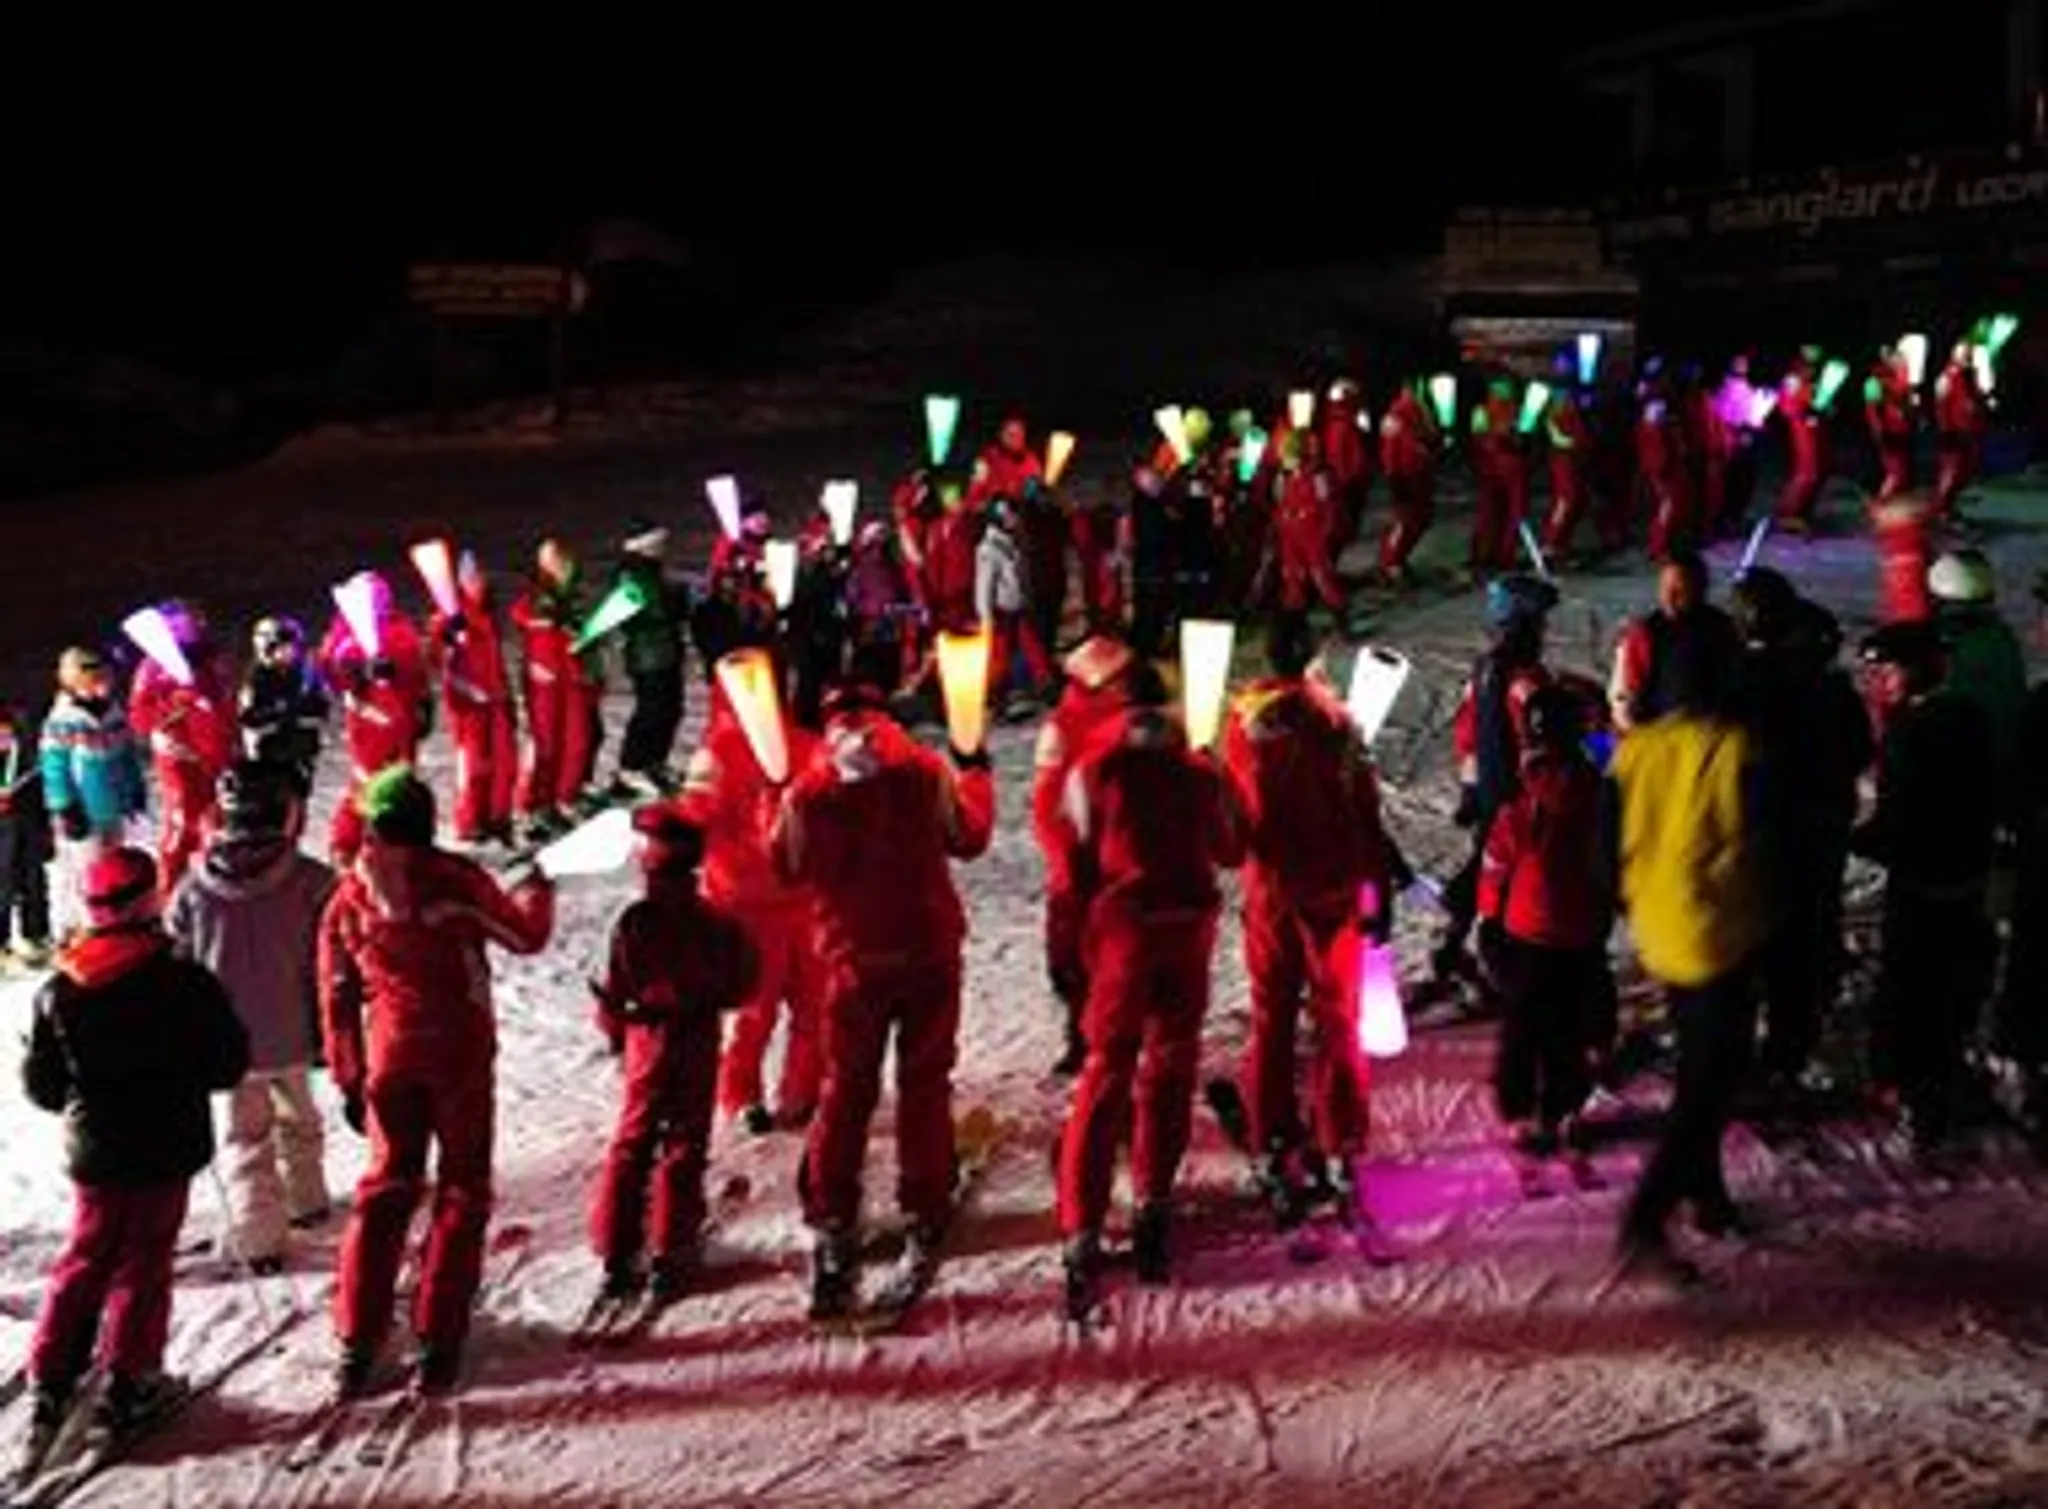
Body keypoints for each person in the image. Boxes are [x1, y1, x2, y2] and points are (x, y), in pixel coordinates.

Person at [768, 641, 995, 1320]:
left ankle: (834, 1209)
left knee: (846, 1088)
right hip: (927, 949)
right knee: (925, 1083)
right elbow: (969, 837)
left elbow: (783, 865)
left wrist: (770, 801)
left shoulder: (809, 789)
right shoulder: (924, 768)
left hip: (853, 959)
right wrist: (975, 771)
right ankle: (924, 1200)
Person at [318, 767, 554, 1395]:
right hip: (459, 1050)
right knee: (462, 1187)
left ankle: (357, 1335)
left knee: (386, 1187)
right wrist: (537, 889)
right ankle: (438, 1333)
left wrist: (348, 1073)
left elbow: (336, 992)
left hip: (389, 1055)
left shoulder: (350, 895)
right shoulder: (456, 880)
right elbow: (524, 936)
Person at [17, 847, 248, 1475]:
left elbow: (42, 1086)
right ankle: (129, 1377)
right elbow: (226, 1064)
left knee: (86, 1257)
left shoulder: (62, 988)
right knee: (144, 1262)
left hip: (96, 1150)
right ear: (148, 900)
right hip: (165, 1146)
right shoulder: (183, 981)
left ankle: (53, 1373)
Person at [1054, 662, 1245, 1308]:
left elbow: (1073, 868)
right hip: (1185, 933)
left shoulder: (1094, 769)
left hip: (1124, 937)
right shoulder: (1195, 769)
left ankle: (1081, 1220)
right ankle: (1153, 1196)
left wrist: (1070, 948)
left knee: (1107, 1069)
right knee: (1169, 1066)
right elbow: (1230, 849)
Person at [1222, 614, 1398, 1222]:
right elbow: (1365, 811)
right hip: (1334, 892)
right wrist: (1377, 889)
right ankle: (1340, 1137)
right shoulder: (1339, 724)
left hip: (1274, 893)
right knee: (1337, 1020)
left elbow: (1234, 825)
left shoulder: (1244, 728)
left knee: (1272, 1017)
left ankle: (1273, 1131)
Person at [1610, 632, 1771, 1284]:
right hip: (1718, 935)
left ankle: (1707, 1193)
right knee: (1708, 1086)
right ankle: (1646, 1217)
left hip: (1661, 928)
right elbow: (1761, 841)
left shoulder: (1636, 750)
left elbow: (1606, 842)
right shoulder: (1734, 748)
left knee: (1704, 1064)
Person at [167, 762, 337, 1272]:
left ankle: (260, 1233)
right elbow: (337, 953)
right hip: (294, 1028)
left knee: (246, 1137)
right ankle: (307, 1199)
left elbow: (177, 965)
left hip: (229, 1042)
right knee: (298, 1116)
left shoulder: (194, 889)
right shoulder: (311, 881)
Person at [588, 807, 757, 1301]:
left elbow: (614, 987)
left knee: (633, 1140)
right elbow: (743, 983)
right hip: (696, 1034)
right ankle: (671, 1248)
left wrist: (616, 1028)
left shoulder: (635, 922)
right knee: (685, 1141)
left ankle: (617, 1249)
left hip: (648, 1038)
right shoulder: (717, 923)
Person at [1853, 620, 2000, 1159]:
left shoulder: (1910, 735)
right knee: (1951, 991)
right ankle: (1944, 1081)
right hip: (1967, 880)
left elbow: (1898, 824)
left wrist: (1850, 839)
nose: (1877, 681)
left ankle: (1918, 1105)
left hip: (1922, 886)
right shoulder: (1971, 718)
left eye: (1885, 670)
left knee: (1913, 994)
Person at [1730, 570, 1872, 1090]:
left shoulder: (1742, 683)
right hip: (1817, 824)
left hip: (1764, 831)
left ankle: (1757, 1050)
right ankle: (1790, 1046)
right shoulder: (1822, 680)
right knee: (1806, 929)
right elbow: (1859, 748)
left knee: (1758, 942)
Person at [675, 659, 826, 1135]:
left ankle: (803, 1091)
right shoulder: (716, 756)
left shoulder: (805, 745)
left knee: (814, 1005)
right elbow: (693, 818)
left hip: (803, 901)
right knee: (751, 1010)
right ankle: (741, 1094)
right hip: (745, 908)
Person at [1478, 685, 1612, 1182]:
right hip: (1581, 931)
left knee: (1524, 1025)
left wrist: (1489, 917)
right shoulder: (1599, 792)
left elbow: (1497, 860)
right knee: (1570, 1027)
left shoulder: (1526, 797)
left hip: (1528, 931)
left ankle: (1519, 1108)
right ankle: (1565, 1103)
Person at [1426, 573, 1558, 1005]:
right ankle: (1504, 970)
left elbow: (1467, 733)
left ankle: (1451, 948)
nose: (1544, 632)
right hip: (1519, 801)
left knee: (1486, 869)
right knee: (1510, 885)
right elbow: (1541, 742)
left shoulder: (1483, 669)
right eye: (1539, 623)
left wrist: (1470, 789)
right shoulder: (1527, 681)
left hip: (1489, 795)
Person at [1031, 634, 1137, 1075]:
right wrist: (1068, 858)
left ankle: (1108, 1034)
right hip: (1085, 865)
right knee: (1076, 958)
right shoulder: (1067, 728)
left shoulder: (1127, 724)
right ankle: (1082, 1035)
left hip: (1116, 862)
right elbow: (1047, 806)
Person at [316, 572, 431, 863]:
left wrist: (423, 704)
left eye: (382, 596)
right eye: (372, 598)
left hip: (402, 721)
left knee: (401, 782)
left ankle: (398, 839)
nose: (379, 603)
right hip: (370, 724)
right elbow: (331, 672)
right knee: (367, 784)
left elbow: (416, 670)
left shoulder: (399, 629)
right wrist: (361, 675)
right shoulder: (345, 633)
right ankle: (346, 842)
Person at [127, 602, 237, 897]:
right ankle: (170, 888)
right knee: (185, 821)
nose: (186, 630)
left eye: (190, 623)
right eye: (177, 626)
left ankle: (215, 881)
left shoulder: (213, 657)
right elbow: (140, 718)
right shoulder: (153, 667)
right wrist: (173, 705)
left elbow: (225, 701)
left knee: (221, 818)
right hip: (181, 759)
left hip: (218, 752)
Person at [40, 647, 148, 940]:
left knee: (114, 863)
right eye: (96, 679)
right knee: (86, 868)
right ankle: (86, 923)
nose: (105, 684)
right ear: (77, 681)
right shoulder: (63, 720)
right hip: (83, 809)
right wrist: (63, 806)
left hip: (112, 804)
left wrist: (136, 789)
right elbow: (54, 766)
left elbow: (127, 754)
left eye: (105, 678)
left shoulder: (111, 711)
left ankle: (118, 914)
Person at [429, 551, 519, 846]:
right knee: (474, 765)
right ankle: (470, 822)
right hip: (468, 704)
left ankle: (499, 818)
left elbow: (495, 660)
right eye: (472, 578)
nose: (478, 583)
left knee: (505, 762)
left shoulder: (488, 612)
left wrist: (506, 697)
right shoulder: (450, 615)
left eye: (480, 578)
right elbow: (434, 657)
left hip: (495, 699)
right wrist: (448, 640)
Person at [512, 540, 600, 842]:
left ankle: (563, 797)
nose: (560, 569)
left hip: (572, 679)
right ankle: (532, 806)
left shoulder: (573, 596)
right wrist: (548, 616)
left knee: (577, 742)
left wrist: (580, 637)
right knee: (544, 747)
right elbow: (522, 615)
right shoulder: (536, 596)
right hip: (545, 682)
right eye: (553, 562)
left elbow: (586, 632)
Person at [1607, 550, 1741, 734]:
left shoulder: (1725, 630)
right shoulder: (1644, 633)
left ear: (1700, 589)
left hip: (1711, 733)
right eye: (1664, 588)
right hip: (1659, 734)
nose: (1669, 598)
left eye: (1679, 590)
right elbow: (1625, 695)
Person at [608, 523, 691, 793]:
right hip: (647, 656)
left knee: (672, 709)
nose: (662, 548)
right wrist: (678, 601)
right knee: (651, 711)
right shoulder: (631, 574)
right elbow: (651, 610)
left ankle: (655, 761)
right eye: (657, 543)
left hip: (666, 652)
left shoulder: (652, 571)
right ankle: (631, 766)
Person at [237, 615, 329, 800]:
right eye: (284, 648)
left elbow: (319, 708)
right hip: (270, 756)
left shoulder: (299, 674)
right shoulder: (257, 679)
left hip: (299, 750)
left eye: (293, 647)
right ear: (267, 649)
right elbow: (250, 719)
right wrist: (285, 712)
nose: (291, 652)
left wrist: (305, 708)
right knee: (277, 807)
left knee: (298, 801)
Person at [0, 700, 53, 969]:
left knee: (33, 879)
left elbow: (40, 785)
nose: (2, 740)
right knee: (3, 884)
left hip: (27, 822)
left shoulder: (27, 751)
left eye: (5, 734)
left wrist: (47, 829)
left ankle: (37, 934)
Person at [1378, 380, 1437, 582]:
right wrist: (1393, 476)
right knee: (1404, 522)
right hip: (1405, 476)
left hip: (1420, 476)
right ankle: (1391, 561)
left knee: (1421, 518)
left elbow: (1427, 441)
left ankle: (1398, 558)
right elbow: (1389, 450)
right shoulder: (1397, 415)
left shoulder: (1422, 412)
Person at [1470, 377, 1527, 572]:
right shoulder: (1483, 411)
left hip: (1507, 467)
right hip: (1493, 467)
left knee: (1510, 513)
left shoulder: (1514, 411)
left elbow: (1521, 438)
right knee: (1491, 513)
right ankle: (1486, 555)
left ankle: (1502, 555)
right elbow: (1479, 438)